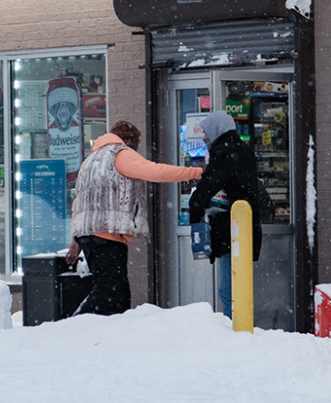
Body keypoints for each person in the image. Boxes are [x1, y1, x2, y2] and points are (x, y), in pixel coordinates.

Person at [66, 120, 202, 316]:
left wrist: (75, 239)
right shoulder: (120, 154)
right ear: (129, 140)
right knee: (112, 293)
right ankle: (77, 326)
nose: (136, 148)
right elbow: (155, 171)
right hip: (107, 233)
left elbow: (79, 202)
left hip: (87, 234)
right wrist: (195, 172)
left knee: (110, 289)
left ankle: (102, 331)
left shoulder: (91, 160)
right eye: (136, 144)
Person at [188, 111, 271, 317]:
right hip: (243, 227)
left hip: (232, 229)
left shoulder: (225, 154)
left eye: (206, 133)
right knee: (236, 286)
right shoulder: (241, 150)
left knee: (229, 291)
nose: (205, 138)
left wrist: (195, 209)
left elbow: (208, 186)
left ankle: (234, 335)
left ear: (216, 131)